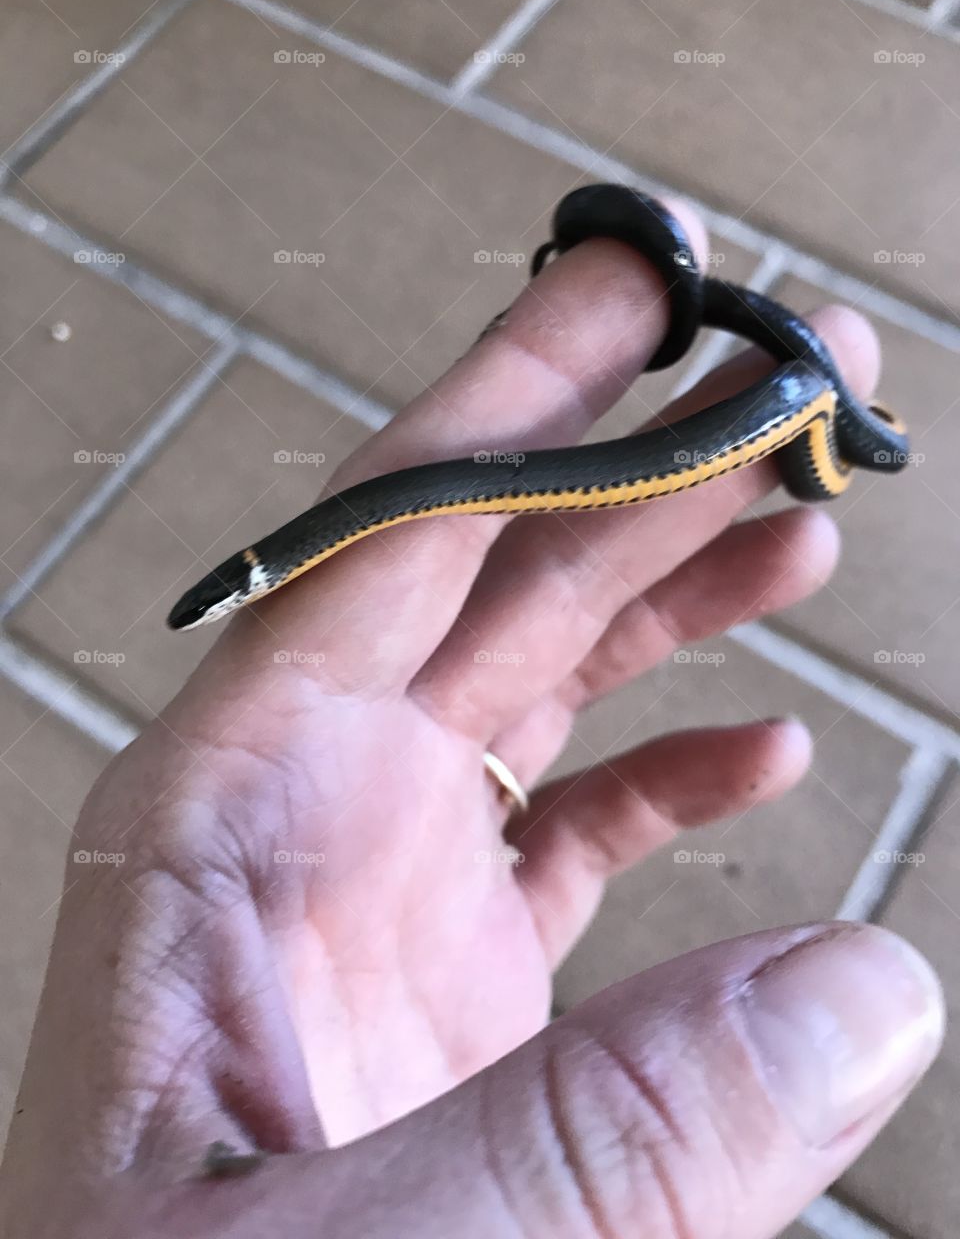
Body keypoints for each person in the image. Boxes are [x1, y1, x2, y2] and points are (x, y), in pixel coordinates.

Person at [0, 201, 943, 1238]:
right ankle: (777, 371)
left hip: (792, 405)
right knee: (779, 410)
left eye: (225, 597)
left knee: (808, 412)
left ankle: (792, 383)